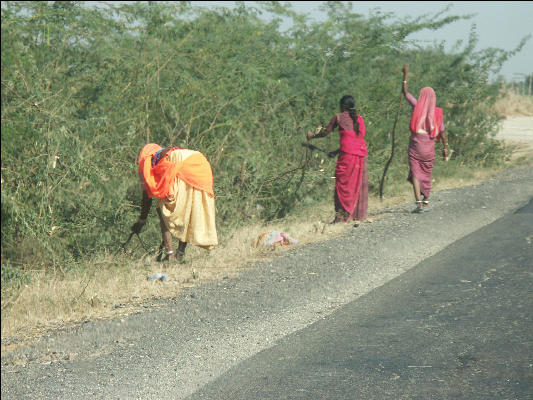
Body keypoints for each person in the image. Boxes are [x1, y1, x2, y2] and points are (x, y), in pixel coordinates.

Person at [131, 144, 218, 262]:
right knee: (190, 210)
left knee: (162, 209)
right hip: (201, 164)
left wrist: (142, 220)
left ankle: (170, 254)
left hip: (183, 165)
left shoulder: (146, 163)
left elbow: (146, 195)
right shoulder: (163, 154)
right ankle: (180, 254)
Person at [306, 95, 368, 223]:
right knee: (353, 185)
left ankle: (340, 216)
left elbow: (326, 132)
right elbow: (355, 141)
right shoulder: (360, 120)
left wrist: (312, 135)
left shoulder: (338, 117)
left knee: (342, 185)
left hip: (347, 156)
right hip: (359, 156)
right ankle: (350, 214)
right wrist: (335, 152)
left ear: (343, 106)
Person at [402, 65, 448, 213]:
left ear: (421, 96)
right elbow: (442, 133)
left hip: (416, 145)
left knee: (416, 173)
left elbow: (406, 93)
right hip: (429, 147)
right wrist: (445, 148)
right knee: (426, 173)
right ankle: (426, 200)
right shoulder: (437, 113)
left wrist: (405, 76)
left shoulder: (417, 106)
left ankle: (418, 203)